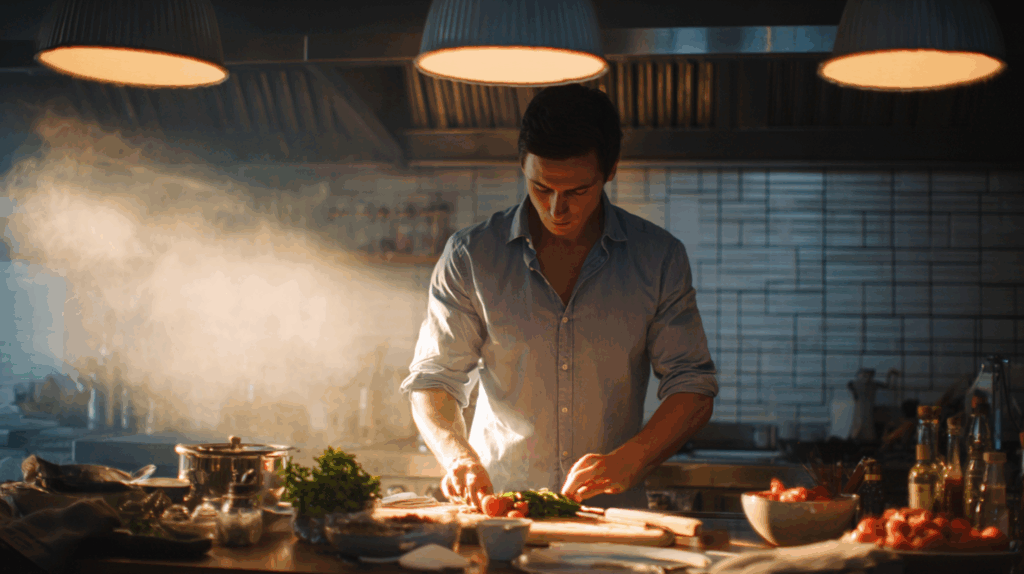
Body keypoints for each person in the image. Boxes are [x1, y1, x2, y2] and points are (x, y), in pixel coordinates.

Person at [400, 84, 717, 510]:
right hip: (501, 511)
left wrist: (632, 459)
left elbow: (692, 386)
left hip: (608, 517)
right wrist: (457, 458)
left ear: (610, 170)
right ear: (522, 166)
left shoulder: (658, 258)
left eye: (576, 192)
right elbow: (435, 377)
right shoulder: (470, 256)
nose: (555, 209)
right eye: (541, 187)